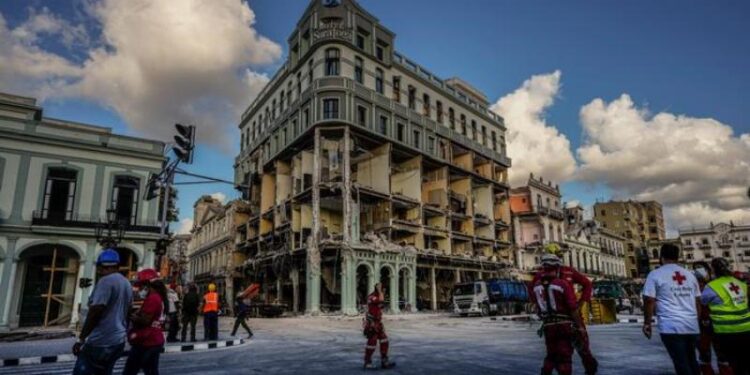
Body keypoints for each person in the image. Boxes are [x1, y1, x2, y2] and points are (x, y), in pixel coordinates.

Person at [531, 250, 598, 375]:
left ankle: (590, 369)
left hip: (550, 324)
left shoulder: (565, 273)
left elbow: (587, 284)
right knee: (565, 355)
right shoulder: (561, 283)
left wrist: (583, 302)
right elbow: (572, 307)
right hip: (568, 321)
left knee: (559, 354)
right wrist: (579, 325)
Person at [643, 243, 701, 375]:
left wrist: (647, 323)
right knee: (692, 360)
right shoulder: (690, 275)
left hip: (671, 326)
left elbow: (649, 300)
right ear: (678, 257)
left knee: (681, 363)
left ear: (661, 257)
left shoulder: (655, 274)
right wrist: (695, 320)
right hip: (691, 326)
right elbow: (697, 300)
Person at [73, 249, 133, 375]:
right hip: (118, 341)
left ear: (102, 266)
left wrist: (81, 338)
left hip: (101, 341)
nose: (99, 271)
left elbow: (96, 310)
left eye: (99, 268)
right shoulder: (126, 283)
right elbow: (128, 311)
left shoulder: (105, 281)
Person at [701, 257, 750, 375]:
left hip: (725, 330)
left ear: (713, 270)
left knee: (730, 362)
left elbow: (702, 302)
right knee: (745, 362)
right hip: (746, 327)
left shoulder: (712, 286)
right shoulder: (740, 283)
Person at [123, 268, 167, 375]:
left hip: (147, 341)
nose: (140, 289)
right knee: (150, 371)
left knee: (131, 370)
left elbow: (145, 320)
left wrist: (132, 316)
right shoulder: (158, 297)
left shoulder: (153, 298)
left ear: (148, 285)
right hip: (152, 340)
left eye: (142, 286)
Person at [693, 262, 731, 375]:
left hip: (716, 324)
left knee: (721, 354)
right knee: (705, 354)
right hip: (703, 326)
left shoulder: (712, 286)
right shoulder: (696, 288)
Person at [363, 283, 396, 370]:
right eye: (382, 290)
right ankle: (367, 362)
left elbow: (380, 306)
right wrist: (380, 290)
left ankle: (384, 361)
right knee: (372, 343)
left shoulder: (378, 297)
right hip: (372, 323)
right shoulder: (372, 297)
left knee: (384, 340)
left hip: (378, 323)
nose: (384, 292)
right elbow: (380, 300)